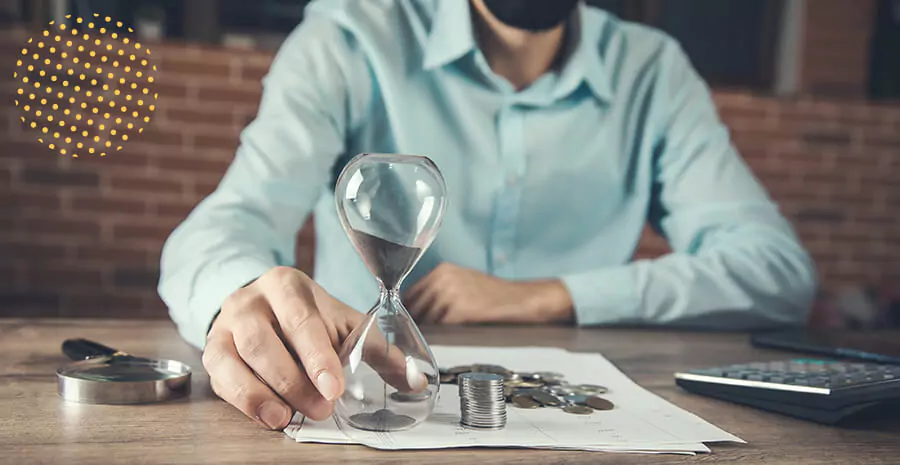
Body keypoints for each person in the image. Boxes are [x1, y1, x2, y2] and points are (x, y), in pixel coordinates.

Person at [158, 0, 817, 430]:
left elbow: (777, 269)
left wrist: (550, 295)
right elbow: (226, 223)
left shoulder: (653, 72)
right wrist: (239, 296)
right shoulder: (352, 36)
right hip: (368, 387)